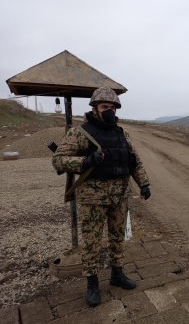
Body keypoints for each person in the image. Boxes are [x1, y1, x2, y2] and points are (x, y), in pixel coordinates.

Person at [52, 87, 151, 307]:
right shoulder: (80, 133)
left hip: (119, 196)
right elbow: (58, 160)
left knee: (117, 238)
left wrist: (143, 183)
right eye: (106, 107)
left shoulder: (121, 133)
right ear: (95, 108)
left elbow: (134, 160)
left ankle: (117, 274)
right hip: (93, 198)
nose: (110, 111)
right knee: (92, 243)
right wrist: (86, 161)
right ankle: (92, 284)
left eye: (113, 108)